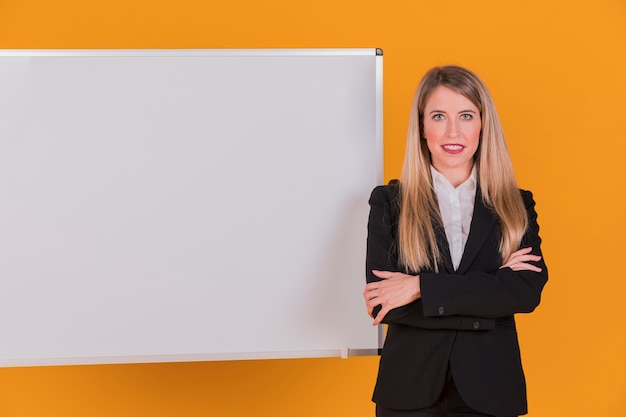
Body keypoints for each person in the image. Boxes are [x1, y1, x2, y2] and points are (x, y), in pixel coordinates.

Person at [363, 65, 548, 417]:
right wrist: (489, 296)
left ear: (482, 124)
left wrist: (420, 286)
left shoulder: (514, 203)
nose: (453, 130)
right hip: (408, 392)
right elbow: (383, 303)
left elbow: (525, 291)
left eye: (466, 115)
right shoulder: (390, 202)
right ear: (421, 127)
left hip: (491, 389)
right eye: (438, 116)